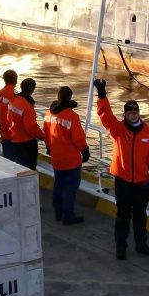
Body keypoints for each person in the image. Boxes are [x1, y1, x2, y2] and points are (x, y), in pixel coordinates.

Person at [95, 79, 149, 259]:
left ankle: (141, 244)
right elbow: (105, 115)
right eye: (129, 112)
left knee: (140, 215)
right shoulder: (118, 130)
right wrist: (102, 94)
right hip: (122, 180)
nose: (132, 114)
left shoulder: (148, 132)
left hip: (141, 182)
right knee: (122, 216)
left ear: (139, 113)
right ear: (125, 114)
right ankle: (120, 247)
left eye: (135, 111)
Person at [44, 85, 89, 225]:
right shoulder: (72, 116)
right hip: (71, 159)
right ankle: (68, 215)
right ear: (70, 97)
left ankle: (58, 212)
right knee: (70, 188)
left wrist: (48, 147)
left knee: (58, 184)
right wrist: (85, 150)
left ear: (58, 97)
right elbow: (78, 138)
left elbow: (45, 133)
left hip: (56, 157)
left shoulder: (49, 114)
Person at [6, 78, 43, 170]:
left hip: (15, 139)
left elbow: (8, 119)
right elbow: (31, 128)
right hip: (27, 143)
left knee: (19, 166)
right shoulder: (27, 107)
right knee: (28, 169)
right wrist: (44, 137)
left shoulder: (13, 101)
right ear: (32, 89)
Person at [0, 70, 19, 159]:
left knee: (7, 157)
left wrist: (2, 123)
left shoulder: (0, 93)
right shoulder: (14, 95)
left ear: (4, 80)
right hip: (13, 134)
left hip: (3, 130)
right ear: (16, 80)